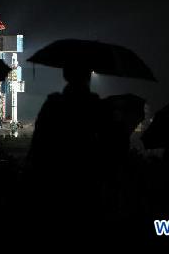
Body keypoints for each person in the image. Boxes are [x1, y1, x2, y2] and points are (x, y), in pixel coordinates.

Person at [25, 65, 103, 237]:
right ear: (88, 77)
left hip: (53, 179)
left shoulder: (53, 103)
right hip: (86, 180)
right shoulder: (95, 105)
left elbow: (38, 141)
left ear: (65, 75)